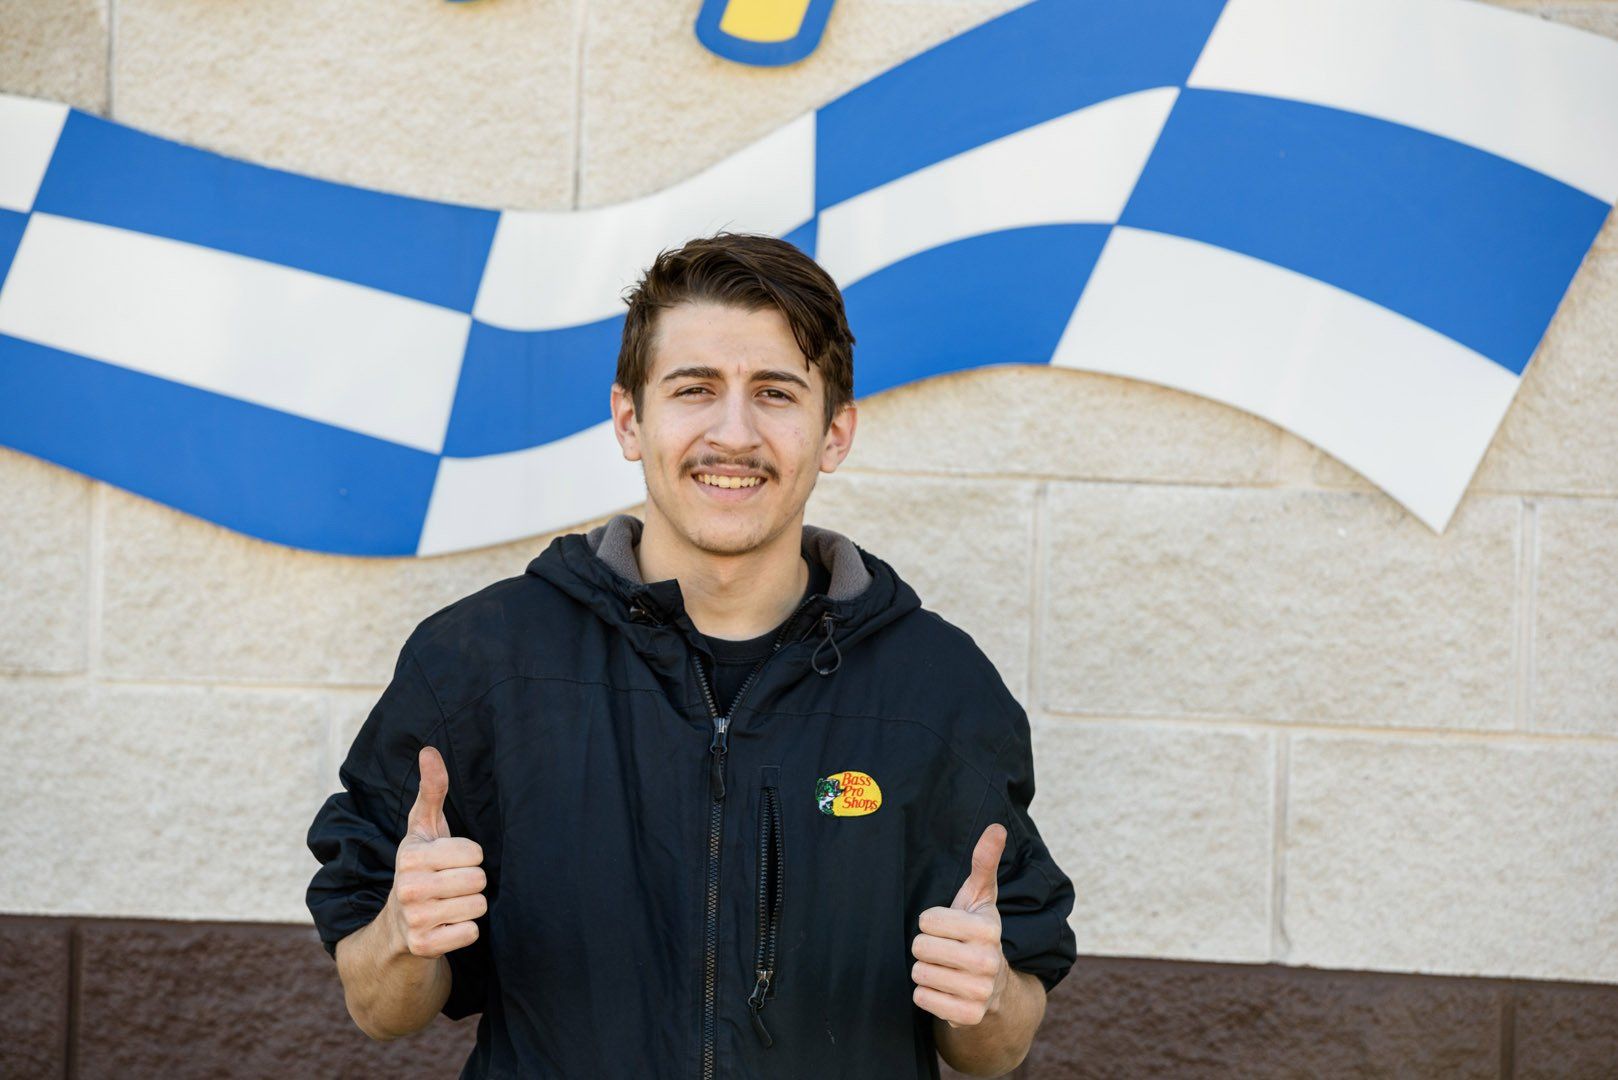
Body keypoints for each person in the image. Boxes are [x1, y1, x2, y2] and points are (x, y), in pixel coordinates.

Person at [305, 231, 1077, 1078]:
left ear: (835, 433)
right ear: (629, 420)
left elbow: (995, 1046)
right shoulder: (482, 663)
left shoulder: (937, 690)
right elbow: (378, 1008)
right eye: (695, 389)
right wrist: (404, 933)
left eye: (775, 393)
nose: (733, 433)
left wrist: (987, 996)